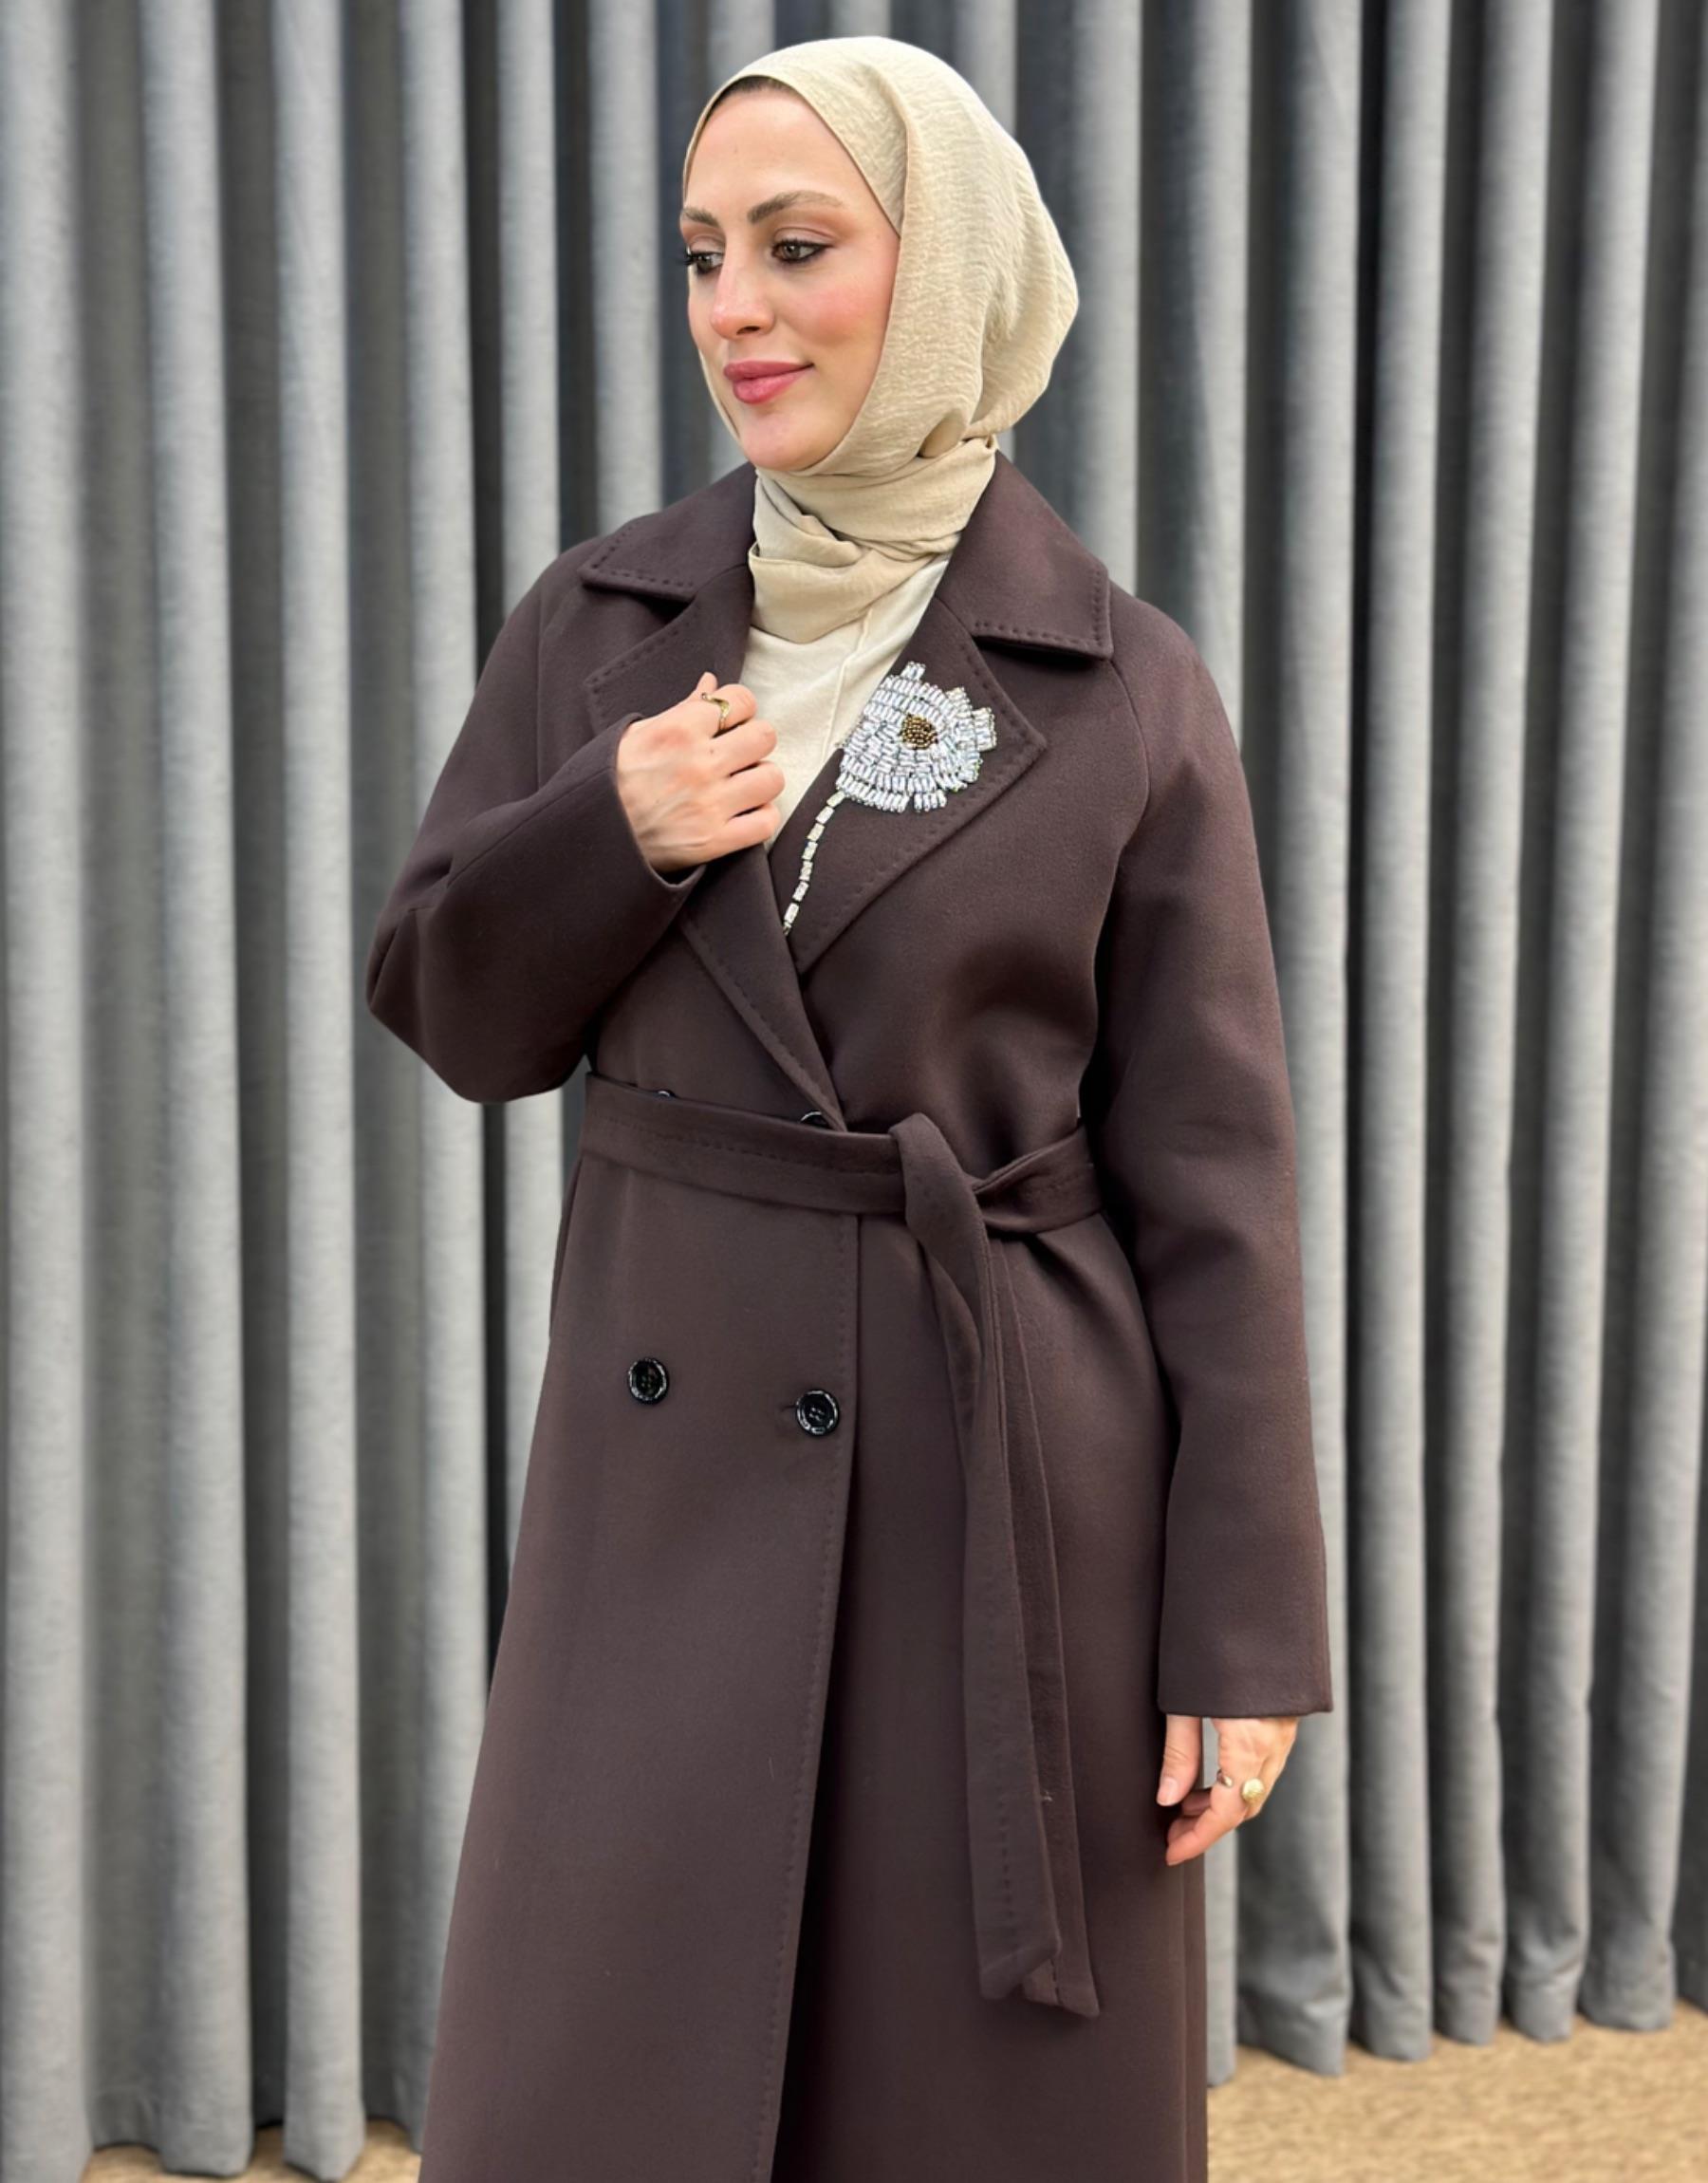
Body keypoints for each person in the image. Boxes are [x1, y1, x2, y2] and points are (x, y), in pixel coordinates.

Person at [365, 34, 1333, 2183]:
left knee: (949, 2094)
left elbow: (1217, 1181)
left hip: (1005, 1476)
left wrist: (1245, 1628)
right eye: (703, 253)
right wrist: (608, 828)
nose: (736, 308)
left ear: (954, 267)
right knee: (607, 2067)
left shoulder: (1123, 679)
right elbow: (451, 1011)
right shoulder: (600, 623)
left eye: (798, 247)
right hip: (664, 1472)